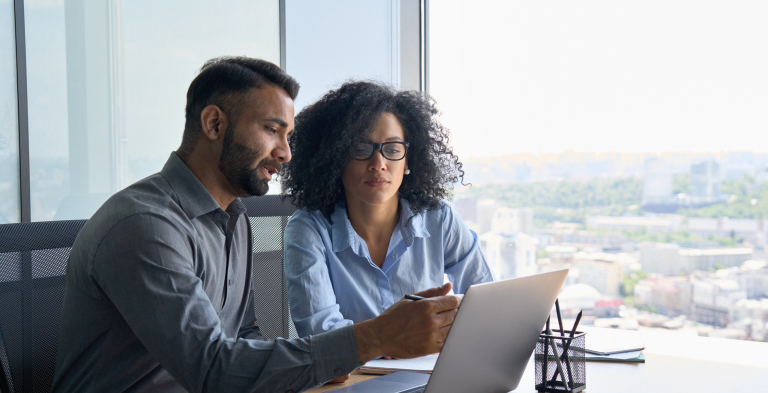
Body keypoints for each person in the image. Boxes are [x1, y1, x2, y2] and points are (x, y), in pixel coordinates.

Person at [51, 57, 461, 393]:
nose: (285, 153)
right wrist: (372, 338)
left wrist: (319, 363)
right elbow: (211, 369)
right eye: (271, 130)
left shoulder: (234, 218)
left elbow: (243, 334)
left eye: (289, 135)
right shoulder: (146, 225)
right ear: (214, 124)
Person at [281, 81, 495, 341]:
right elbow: (322, 337)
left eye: (393, 149)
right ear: (336, 158)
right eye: (361, 148)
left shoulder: (439, 218)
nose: (379, 163)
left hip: (429, 372)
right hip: (351, 379)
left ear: (407, 161)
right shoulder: (308, 230)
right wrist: (397, 339)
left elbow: (486, 302)